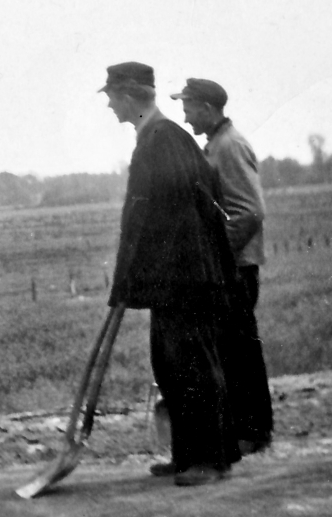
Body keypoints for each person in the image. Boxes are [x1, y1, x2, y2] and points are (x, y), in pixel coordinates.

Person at [100, 62, 238, 486]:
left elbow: (151, 217)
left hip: (185, 277)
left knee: (192, 364)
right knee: (173, 365)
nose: (108, 105)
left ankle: (209, 460)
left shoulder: (161, 141)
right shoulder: (162, 138)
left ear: (127, 98)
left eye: (111, 97)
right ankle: (190, 454)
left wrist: (128, 277)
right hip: (175, 277)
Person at [172, 77, 274, 455]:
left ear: (208, 109)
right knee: (232, 351)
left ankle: (253, 432)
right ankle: (244, 430)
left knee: (241, 351)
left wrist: (217, 255)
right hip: (230, 267)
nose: (185, 117)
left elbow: (249, 212)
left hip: (235, 269)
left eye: (189, 108)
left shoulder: (229, 146)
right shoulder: (217, 143)